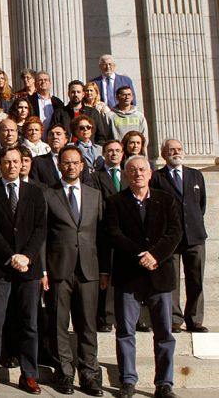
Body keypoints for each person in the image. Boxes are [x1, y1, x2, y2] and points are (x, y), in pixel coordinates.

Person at [102, 155, 181, 398]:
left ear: (150, 174)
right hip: (129, 276)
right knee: (126, 331)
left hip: (160, 274)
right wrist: (140, 254)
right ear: (126, 175)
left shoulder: (166, 200)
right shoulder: (116, 202)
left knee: (164, 333)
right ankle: (127, 380)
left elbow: (175, 232)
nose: (138, 173)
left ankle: (164, 383)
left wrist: (155, 255)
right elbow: (114, 234)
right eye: (133, 170)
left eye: (142, 169)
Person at [0, 146, 47, 395]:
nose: (12, 166)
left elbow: (40, 228)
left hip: (29, 268)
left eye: (16, 162)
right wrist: (10, 256)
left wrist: (26, 256)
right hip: (1, 267)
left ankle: (29, 374)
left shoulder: (35, 192)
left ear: (22, 164)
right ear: (0, 164)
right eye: (7, 162)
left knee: (29, 323)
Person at [44, 146, 104, 396]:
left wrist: (104, 270)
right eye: (66, 163)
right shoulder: (49, 195)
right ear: (59, 165)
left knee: (87, 325)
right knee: (59, 324)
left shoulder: (94, 195)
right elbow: (43, 236)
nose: (70, 167)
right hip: (59, 269)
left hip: (88, 270)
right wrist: (43, 271)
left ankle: (89, 374)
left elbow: (102, 236)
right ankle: (65, 373)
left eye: (75, 163)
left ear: (82, 166)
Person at [151, 139, 209, 333]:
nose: (176, 152)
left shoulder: (195, 175)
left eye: (179, 149)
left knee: (196, 279)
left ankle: (195, 319)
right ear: (163, 153)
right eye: (171, 150)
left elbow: (201, 204)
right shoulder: (157, 177)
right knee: (172, 279)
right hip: (170, 238)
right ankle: (174, 319)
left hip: (195, 235)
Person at [91, 140, 125, 333]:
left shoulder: (129, 174)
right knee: (106, 275)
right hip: (105, 231)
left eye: (117, 151)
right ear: (103, 154)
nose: (114, 154)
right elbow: (96, 203)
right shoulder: (96, 176)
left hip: (128, 233)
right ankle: (104, 317)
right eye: (110, 151)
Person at [49, 80, 108, 145]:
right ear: (68, 94)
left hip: (89, 151)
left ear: (83, 94)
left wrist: (96, 150)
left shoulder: (93, 113)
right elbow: (52, 134)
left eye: (78, 92)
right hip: (67, 151)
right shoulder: (59, 113)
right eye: (73, 92)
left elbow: (101, 137)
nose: (76, 94)